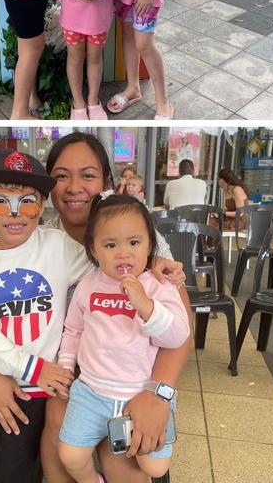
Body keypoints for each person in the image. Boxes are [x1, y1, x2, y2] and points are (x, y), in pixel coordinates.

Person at [0, 149, 86, 482]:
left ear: (42, 206)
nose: (15, 214)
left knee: (15, 470)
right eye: (0, 201)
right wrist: (26, 366)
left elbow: (102, 265)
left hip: (36, 391)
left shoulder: (57, 245)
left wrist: (151, 265)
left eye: (27, 201)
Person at [57, 195, 190, 482]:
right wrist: (66, 365)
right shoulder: (87, 286)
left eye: (134, 242)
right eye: (110, 245)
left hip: (140, 391)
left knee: (155, 468)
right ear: (94, 250)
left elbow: (178, 335)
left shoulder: (159, 285)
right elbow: (73, 330)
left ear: (150, 246)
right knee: (70, 455)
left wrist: (147, 307)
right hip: (91, 391)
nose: (123, 253)